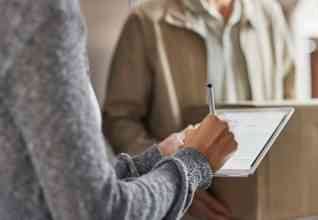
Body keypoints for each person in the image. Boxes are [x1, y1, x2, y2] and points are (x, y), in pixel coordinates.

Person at [0, 0, 237, 220]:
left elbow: (65, 184)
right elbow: (99, 212)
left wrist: (154, 159)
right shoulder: (43, 16)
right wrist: (192, 165)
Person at [103, 0, 294, 218]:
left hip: (259, 204)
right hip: (183, 209)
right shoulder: (147, 20)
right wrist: (178, 182)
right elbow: (119, 120)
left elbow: (290, 105)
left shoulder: (269, 15)